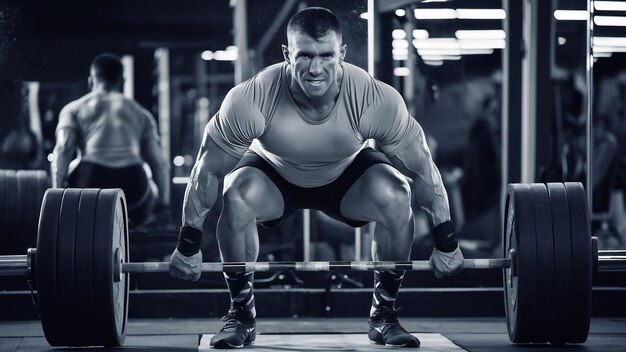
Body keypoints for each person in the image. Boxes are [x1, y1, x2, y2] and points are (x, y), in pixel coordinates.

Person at [169, 7, 464, 349]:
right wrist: (188, 245)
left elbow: (422, 168)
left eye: (326, 55)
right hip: (274, 174)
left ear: (342, 53)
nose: (315, 68)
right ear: (287, 54)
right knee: (236, 192)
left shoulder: (373, 98)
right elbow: (208, 169)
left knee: (397, 192)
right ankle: (241, 315)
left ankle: (383, 315)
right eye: (305, 55)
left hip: (345, 175)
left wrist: (446, 241)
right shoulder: (252, 98)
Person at [51, 53, 170, 226]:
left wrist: (57, 198)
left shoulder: (73, 109)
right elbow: (159, 164)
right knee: (148, 192)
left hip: (91, 180)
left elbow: (63, 149)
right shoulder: (141, 114)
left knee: (73, 169)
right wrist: (163, 207)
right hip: (134, 185)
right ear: (122, 81)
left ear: (91, 81)